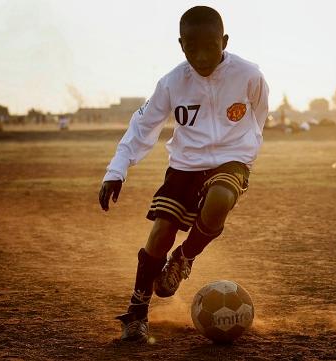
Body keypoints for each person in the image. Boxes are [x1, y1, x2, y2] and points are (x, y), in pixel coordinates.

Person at [98, 6, 268, 343]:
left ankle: (184, 257)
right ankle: (137, 312)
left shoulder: (249, 75)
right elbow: (142, 126)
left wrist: (245, 156)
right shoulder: (172, 82)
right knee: (162, 230)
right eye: (193, 48)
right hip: (184, 164)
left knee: (220, 198)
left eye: (211, 46)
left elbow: (259, 115)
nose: (202, 56)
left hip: (231, 160)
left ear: (225, 42)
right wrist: (117, 169)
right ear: (181, 45)